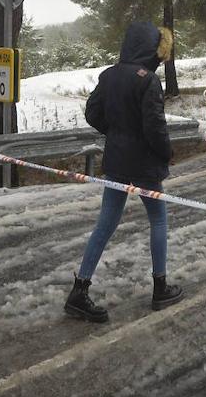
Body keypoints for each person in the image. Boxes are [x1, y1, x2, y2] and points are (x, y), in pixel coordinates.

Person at [64, 21, 182, 323]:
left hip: (117, 159)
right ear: (152, 49)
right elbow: (155, 127)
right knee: (158, 218)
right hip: (144, 164)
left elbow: (92, 113)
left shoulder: (109, 75)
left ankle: (79, 291)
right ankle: (160, 287)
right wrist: (166, 153)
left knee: (105, 223)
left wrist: (116, 133)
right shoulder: (149, 81)